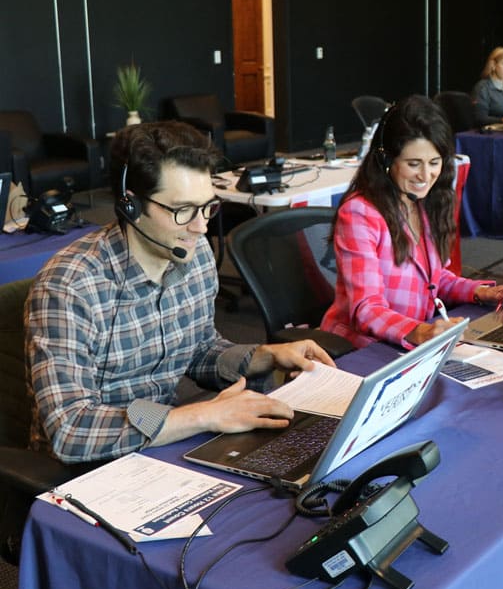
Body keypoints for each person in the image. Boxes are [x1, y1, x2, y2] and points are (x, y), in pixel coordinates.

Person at [25, 121, 335, 464]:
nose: (201, 226)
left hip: (165, 444)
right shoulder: (70, 286)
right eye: (182, 210)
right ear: (131, 205)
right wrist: (203, 416)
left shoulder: (194, 253)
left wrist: (269, 356)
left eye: (207, 206)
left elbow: (199, 349)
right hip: (86, 470)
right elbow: (70, 431)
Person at [321, 95, 503, 348]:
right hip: (364, 347)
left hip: (413, 340)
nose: (426, 175)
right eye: (413, 164)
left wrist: (481, 291)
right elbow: (367, 308)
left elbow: (434, 280)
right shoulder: (359, 213)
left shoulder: (424, 201)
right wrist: (420, 332)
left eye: (434, 163)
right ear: (387, 160)